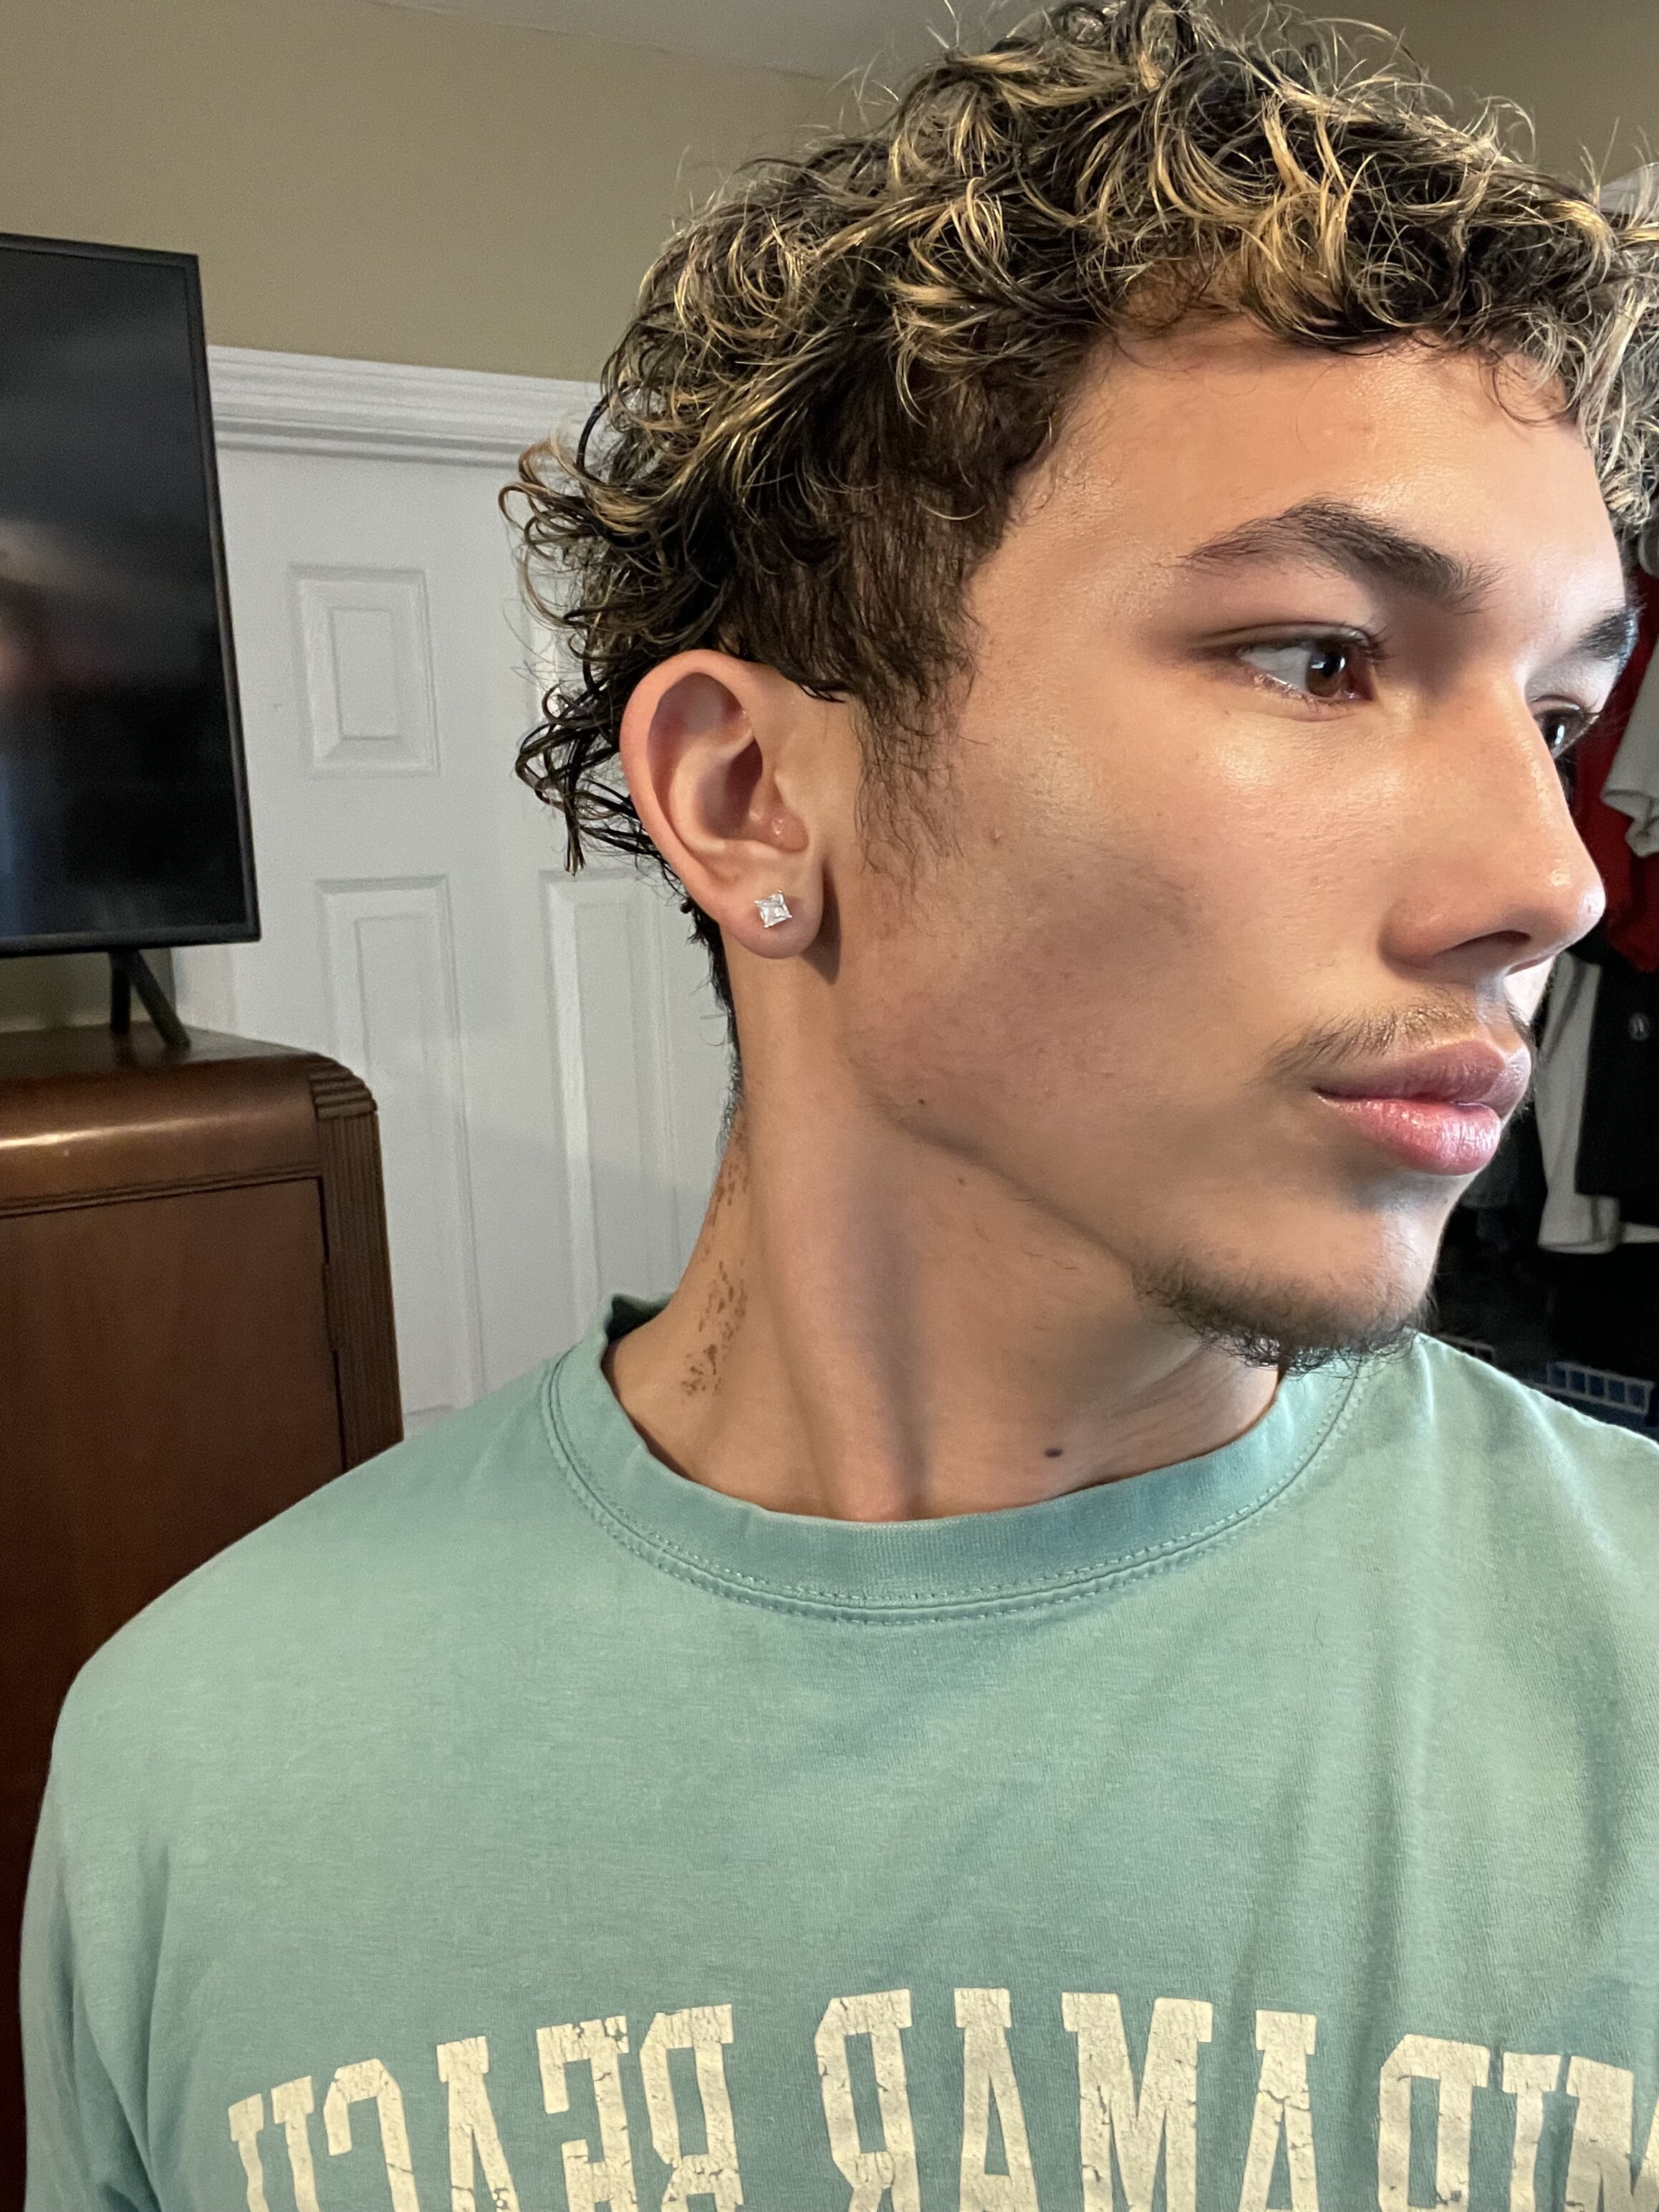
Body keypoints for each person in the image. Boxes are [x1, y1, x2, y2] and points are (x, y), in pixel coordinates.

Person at [24, 4, 1659, 2207]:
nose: (1550, 882)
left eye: (1551, 716)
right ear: (748, 795)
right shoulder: (203, 1767)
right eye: (1314, 656)